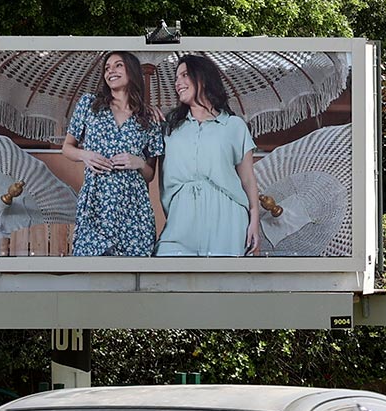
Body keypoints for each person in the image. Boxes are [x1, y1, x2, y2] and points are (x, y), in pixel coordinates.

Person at [157, 53, 263, 257]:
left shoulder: (234, 126)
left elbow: (248, 179)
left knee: (223, 285)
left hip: (228, 216)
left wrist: (254, 222)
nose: (178, 82)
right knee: (167, 277)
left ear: (203, 78)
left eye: (185, 75)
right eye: (176, 78)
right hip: (181, 217)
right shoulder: (169, 126)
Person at [61, 51, 164, 256]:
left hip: (134, 208)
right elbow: (67, 147)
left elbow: (150, 174)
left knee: (135, 280)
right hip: (96, 203)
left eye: (118, 65)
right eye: (107, 68)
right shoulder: (90, 105)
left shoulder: (148, 117)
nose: (111, 71)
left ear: (132, 71)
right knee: (90, 271)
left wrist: (139, 162)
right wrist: (85, 155)